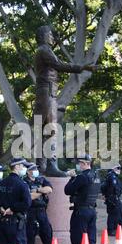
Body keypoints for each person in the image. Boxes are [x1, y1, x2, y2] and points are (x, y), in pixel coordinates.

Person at [33, 25, 98, 176]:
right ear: (43, 36)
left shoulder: (42, 51)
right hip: (47, 93)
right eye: (49, 34)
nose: (52, 37)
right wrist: (83, 68)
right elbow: (59, 65)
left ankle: (42, 166)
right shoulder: (44, 50)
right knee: (52, 130)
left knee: (43, 131)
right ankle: (50, 165)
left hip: (46, 93)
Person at [64, 154, 100, 244]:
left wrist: (71, 178)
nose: (78, 165)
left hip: (81, 212)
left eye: (79, 163)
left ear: (85, 163)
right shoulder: (96, 176)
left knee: (78, 240)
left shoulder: (82, 177)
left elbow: (67, 190)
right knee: (90, 240)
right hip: (91, 211)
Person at [101, 164, 122, 236]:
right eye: (118, 168)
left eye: (120, 168)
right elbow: (107, 187)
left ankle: (120, 227)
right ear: (114, 168)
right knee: (112, 214)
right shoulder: (111, 176)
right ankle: (110, 230)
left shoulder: (114, 176)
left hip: (115, 197)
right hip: (112, 198)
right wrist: (107, 196)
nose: (119, 170)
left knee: (120, 210)